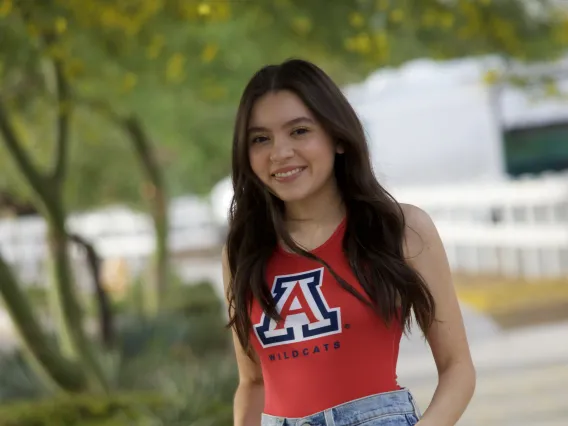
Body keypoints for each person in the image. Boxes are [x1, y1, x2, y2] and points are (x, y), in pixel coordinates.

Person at [221, 58, 476, 426]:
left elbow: (458, 369)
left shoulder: (402, 229)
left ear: (337, 136)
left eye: (299, 131)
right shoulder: (242, 251)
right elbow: (252, 382)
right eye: (260, 139)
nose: (279, 153)